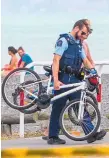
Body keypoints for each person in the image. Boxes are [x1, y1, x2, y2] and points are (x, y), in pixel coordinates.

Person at [46, 20, 106, 144]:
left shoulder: (79, 44)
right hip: (63, 80)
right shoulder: (64, 41)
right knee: (58, 107)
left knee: (80, 105)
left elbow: (85, 60)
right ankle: (53, 137)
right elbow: (56, 60)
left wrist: (94, 72)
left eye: (86, 34)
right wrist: (56, 80)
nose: (84, 36)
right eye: (83, 32)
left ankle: (90, 134)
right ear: (76, 28)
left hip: (75, 80)